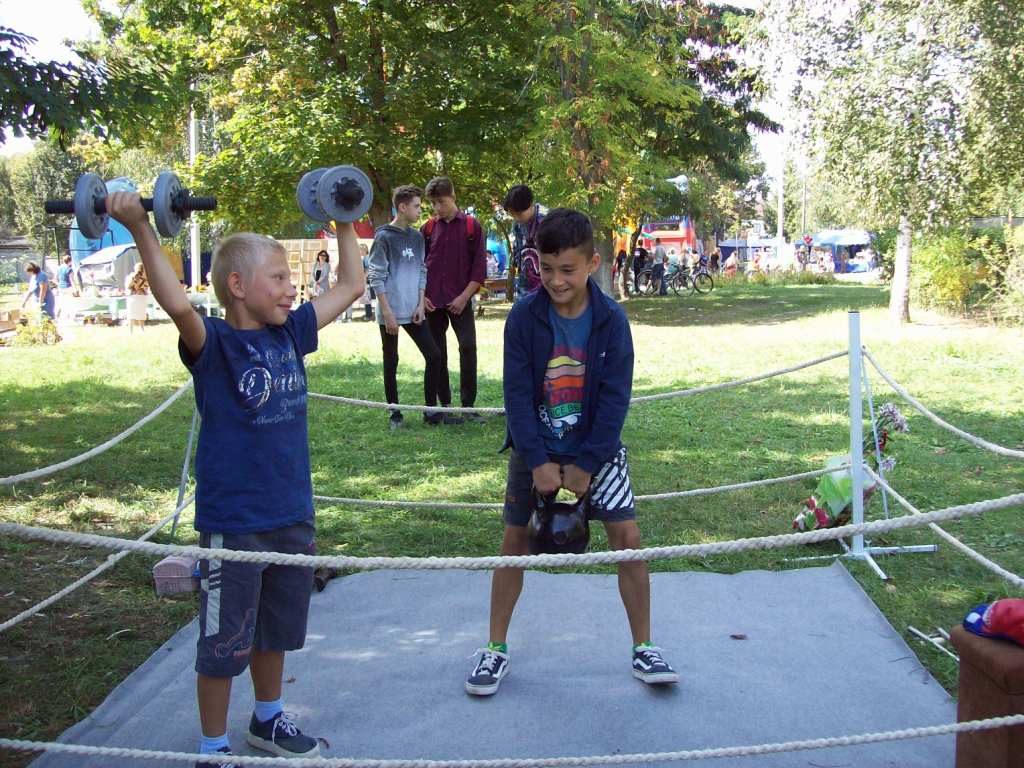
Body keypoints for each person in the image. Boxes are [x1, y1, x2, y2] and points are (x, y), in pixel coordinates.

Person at [106, 189, 365, 768]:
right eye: (278, 278)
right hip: (237, 523)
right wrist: (140, 226)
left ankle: (267, 719)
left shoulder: (290, 332)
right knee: (225, 640)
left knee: (275, 630)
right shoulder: (215, 344)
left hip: (291, 515)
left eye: (290, 278)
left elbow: (350, 286)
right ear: (238, 286)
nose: (291, 288)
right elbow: (176, 302)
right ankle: (213, 747)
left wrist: (346, 218)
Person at [465, 208, 678, 696]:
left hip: (598, 451)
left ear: (592, 263)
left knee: (628, 539)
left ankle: (644, 646)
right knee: (513, 544)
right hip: (534, 449)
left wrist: (587, 465)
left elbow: (616, 399)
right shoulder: (524, 317)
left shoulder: (611, 320)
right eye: (547, 268)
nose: (556, 280)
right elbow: (517, 397)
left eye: (568, 269)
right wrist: (538, 462)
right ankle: (494, 648)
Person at [368, 184, 444, 430]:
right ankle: (395, 413)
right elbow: (376, 276)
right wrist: (387, 313)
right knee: (391, 361)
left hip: (414, 311)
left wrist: (420, 304)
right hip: (390, 311)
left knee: (434, 355)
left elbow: (422, 270)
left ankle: (430, 411)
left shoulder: (417, 236)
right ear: (402, 207)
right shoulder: (384, 237)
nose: (420, 210)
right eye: (416, 206)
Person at [422, 176, 487, 424]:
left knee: (468, 347)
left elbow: (479, 269)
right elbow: (419, 267)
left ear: (453, 196)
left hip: (461, 299)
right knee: (437, 353)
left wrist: (464, 297)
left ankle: (468, 406)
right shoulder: (428, 228)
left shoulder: (472, 226)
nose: (437, 207)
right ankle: (445, 404)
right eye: (433, 203)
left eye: (441, 201)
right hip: (432, 301)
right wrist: (422, 297)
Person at [503, 184, 545, 301]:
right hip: (525, 288)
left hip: (546, 287)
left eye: (519, 214)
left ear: (530, 204)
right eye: (513, 214)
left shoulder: (548, 221)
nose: (516, 218)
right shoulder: (518, 225)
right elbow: (519, 253)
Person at [125, 261, 149, 334]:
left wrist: (138, 284)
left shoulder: (142, 277)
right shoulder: (133, 276)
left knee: (135, 314)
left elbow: (146, 287)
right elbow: (129, 286)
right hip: (137, 297)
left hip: (137, 297)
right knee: (137, 313)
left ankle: (134, 330)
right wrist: (135, 280)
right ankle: (138, 330)